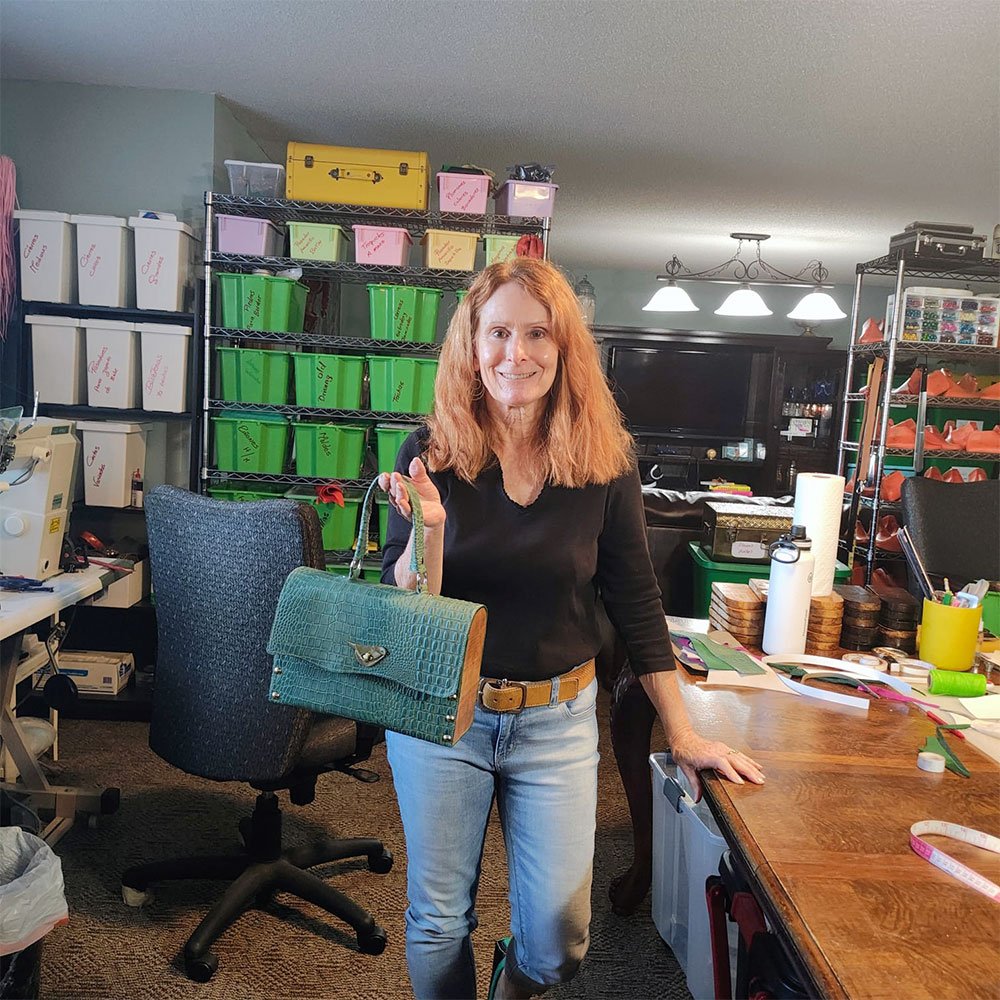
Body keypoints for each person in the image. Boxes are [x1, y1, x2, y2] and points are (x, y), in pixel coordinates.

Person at [378, 258, 764, 1000]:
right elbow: (410, 601)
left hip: (555, 718)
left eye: (537, 334)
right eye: (498, 333)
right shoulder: (429, 451)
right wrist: (429, 531)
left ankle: (509, 984)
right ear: (471, 343)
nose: (515, 354)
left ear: (563, 349)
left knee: (560, 947)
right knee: (437, 922)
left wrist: (682, 732)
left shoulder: (603, 461)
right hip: (442, 713)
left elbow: (637, 600)